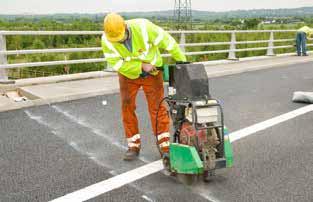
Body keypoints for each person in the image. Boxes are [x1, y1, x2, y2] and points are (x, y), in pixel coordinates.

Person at [101, 13, 186, 161]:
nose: (119, 42)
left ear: (125, 27)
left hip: (152, 74)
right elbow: (116, 63)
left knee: (158, 108)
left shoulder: (144, 27)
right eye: (116, 40)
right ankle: (133, 145)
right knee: (127, 107)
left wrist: (182, 63)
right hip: (128, 75)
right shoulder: (107, 40)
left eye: (121, 38)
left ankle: (164, 146)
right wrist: (140, 66)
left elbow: (168, 42)